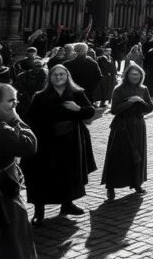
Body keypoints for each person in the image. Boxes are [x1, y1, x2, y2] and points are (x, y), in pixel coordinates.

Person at [20, 65, 96, 223]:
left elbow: (90, 112)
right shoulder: (40, 96)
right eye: (55, 74)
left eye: (62, 74)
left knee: (68, 173)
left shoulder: (77, 93)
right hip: (47, 141)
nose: (59, 77)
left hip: (72, 140)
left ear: (67, 76)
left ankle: (67, 204)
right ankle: (39, 212)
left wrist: (78, 109)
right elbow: (29, 119)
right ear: (50, 77)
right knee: (42, 175)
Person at [0, 84, 38, 259]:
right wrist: (16, 119)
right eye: (11, 101)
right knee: (14, 244)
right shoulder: (0, 130)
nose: (15, 106)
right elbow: (30, 144)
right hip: (3, 201)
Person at [101, 64, 153, 199]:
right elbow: (114, 110)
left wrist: (140, 101)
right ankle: (111, 186)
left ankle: (136, 183)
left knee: (138, 155)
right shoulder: (119, 89)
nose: (135, 77)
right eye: (132, 74)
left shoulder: (143, 89)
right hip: (122, 126)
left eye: (138, 75)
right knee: (118, 156)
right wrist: (129, 102)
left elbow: (149, 108)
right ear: (127, 75)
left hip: (138, 126)